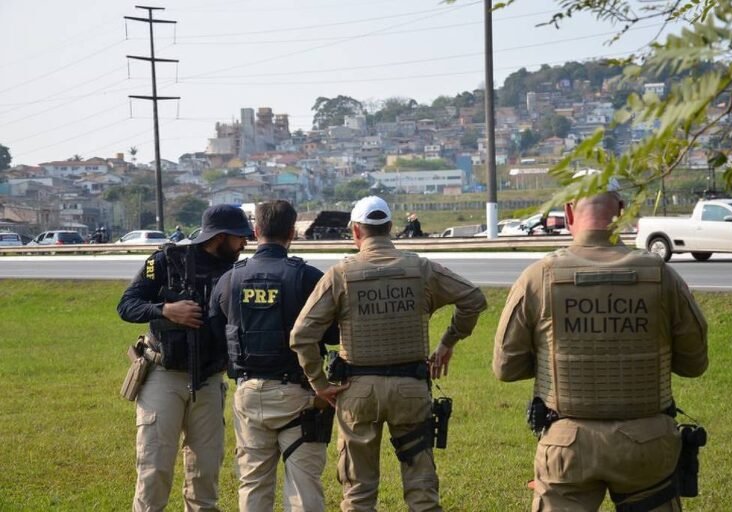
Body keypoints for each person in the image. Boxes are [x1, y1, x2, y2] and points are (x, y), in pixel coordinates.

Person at [493, 180, 709, 511]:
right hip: (647, 443)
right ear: (621, 214)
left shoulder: (539, 277)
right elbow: (694, 364)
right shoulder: (661, 275)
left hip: (567, 444)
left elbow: (505, 367)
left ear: (568, 213)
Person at [290, 195, 487, 512]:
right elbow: (473, 299)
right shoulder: (420, 269)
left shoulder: (340, 274)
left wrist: (319, 383)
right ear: (391, 228)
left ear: (356, 231)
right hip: (411, 388)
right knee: (422, 491)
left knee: (358, 495)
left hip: (357, 390)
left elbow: (301, 335)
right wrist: (448, 342)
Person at [117, 204, 253, 512]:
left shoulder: (236, 271)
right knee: (155, 468)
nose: (244, 243)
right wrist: (165, 310)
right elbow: (127, 305)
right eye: (239, 237)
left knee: (206, 471)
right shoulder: (166, 261)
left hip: (209, 380)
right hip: (163, 376)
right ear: (220, 236)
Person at [208, 200, 339, 511]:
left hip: (248, 393)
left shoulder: (230, 279)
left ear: (255, 231)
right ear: (292, 233)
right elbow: (333, 334)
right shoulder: (308, 278)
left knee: (253, 485)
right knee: (304, 487)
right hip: (300, 395)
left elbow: (217, 331)